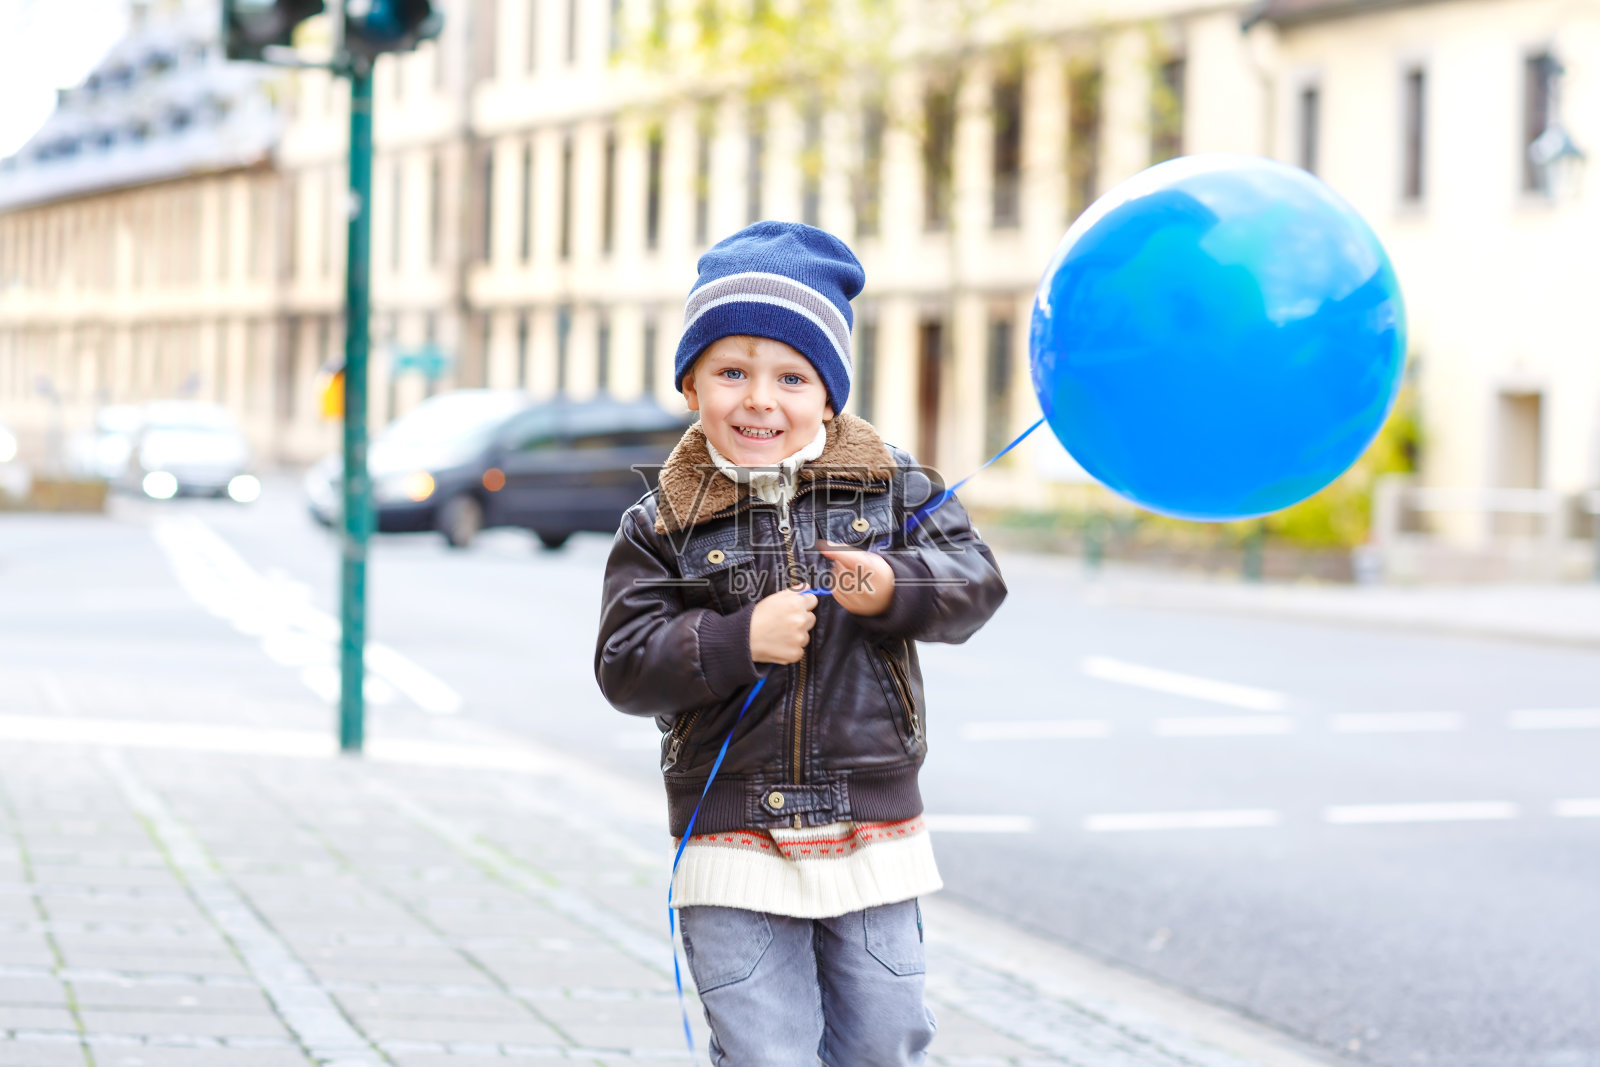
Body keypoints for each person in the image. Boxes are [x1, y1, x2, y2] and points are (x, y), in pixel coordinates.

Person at [594, 221, 1007, 1066]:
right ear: (690, 385)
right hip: (732, 836)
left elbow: (975, 579)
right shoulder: (663, 518)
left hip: (871, 828)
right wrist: (738, 637)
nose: (759, 399)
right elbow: (625, 661)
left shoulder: (892, 484)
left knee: (883, 1038)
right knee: (765, 1050)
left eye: (791, 374)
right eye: (731, 371)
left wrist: (891, 585)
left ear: (829, 395)